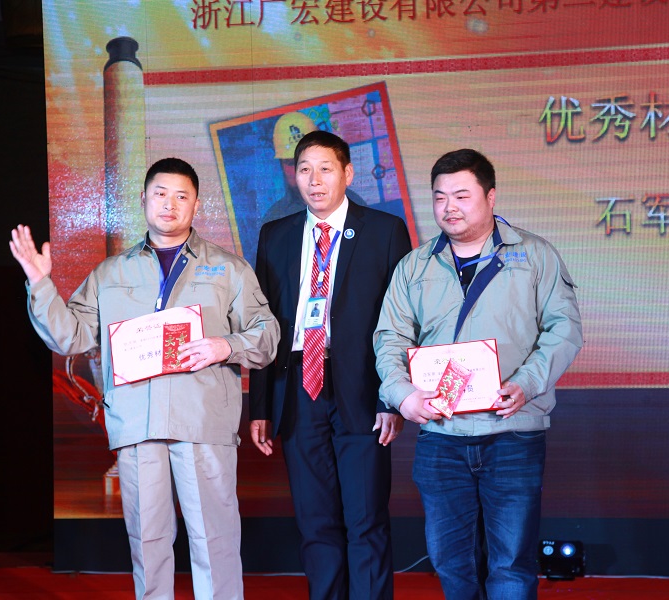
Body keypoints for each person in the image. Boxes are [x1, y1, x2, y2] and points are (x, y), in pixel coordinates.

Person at [9, 157, 280, 600]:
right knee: (147, 542)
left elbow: (266, 335)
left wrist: (224, 345)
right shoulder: (111, 272)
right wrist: (40, 283)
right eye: (160, 194)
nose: (170, 204)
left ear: (196, 205)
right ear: (143, 200)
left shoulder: (228, 269)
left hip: (202, 423)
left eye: (181, 196)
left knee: (214, 539)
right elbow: (70, 337)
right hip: (137, 425)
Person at [373, 149, 583, 599]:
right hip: (441, 438)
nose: (449, 207)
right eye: (440, 197)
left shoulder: (535, 256)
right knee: (451, 561)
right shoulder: (415, 266)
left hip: (512, 432)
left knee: (511, 565)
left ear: (490, 197)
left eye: (462, 195)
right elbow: (390, 338)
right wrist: (402, 394)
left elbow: (564, 330)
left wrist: (527, 383)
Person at [249, 131, 411, 600]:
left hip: (362, 389)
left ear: (348, 174)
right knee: (315, 522)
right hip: (299, 388)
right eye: (304, 170)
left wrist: (392, 398)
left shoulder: (384, 230)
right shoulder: (275, 235)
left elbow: (401, 321)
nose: (314, 180)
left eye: (325, 169)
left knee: (366, 520)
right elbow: (264, 325)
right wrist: (261, 406)